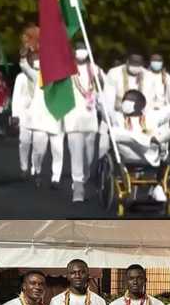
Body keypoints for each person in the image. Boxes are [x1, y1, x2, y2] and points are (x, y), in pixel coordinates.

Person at [111, 89, 170, 202]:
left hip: (144, 159)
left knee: (165, 139)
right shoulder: (118, 118)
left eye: (130, 100)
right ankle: (157, 185)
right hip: (135, 159)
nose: (126, 102)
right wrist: (149, 139)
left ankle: (157, 187)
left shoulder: (150, 117)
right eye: (126, 99)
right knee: (115, 132)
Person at [67, 41, 109, 202]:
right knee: (76, 150)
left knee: (89, 154)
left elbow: (106, 85)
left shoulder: (95, 68)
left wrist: (100, 81)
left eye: (84, 49)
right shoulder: (68, 69)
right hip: (72, 117)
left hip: (90, 116)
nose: (81, 52)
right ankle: (78, 186)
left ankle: (84, 174)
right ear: (74, 51)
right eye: (78, 49)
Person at [14, 53, 63, 187]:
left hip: (56, 119)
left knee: (58, 150)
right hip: (40, 121)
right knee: (39, 151)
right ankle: (38, 170)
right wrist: (23, 58)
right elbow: (25, 68)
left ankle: (56, 178)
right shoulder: (38, 76)